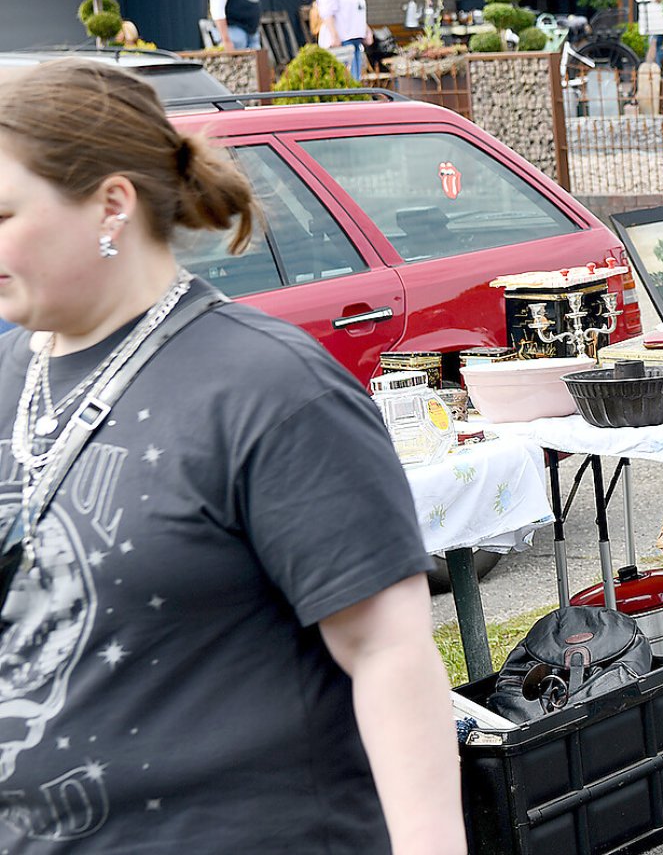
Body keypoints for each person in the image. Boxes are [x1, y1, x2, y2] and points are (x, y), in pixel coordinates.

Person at [0, 59, 465, 854]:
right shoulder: (13, 372)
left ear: (112, 205)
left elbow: (388, 652)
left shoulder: (271, 388)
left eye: (4, 211)